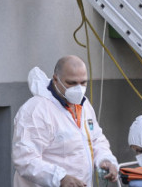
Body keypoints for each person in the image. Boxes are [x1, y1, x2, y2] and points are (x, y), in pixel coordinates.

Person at [12, 55, 119, 187]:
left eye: (83, 82)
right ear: (56, 79)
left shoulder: (84, 105)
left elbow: (95, 139)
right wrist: (60, 178)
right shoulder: (36, 111)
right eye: (72, 83)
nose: (78, 89)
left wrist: (105, 160)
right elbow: (25, 159)